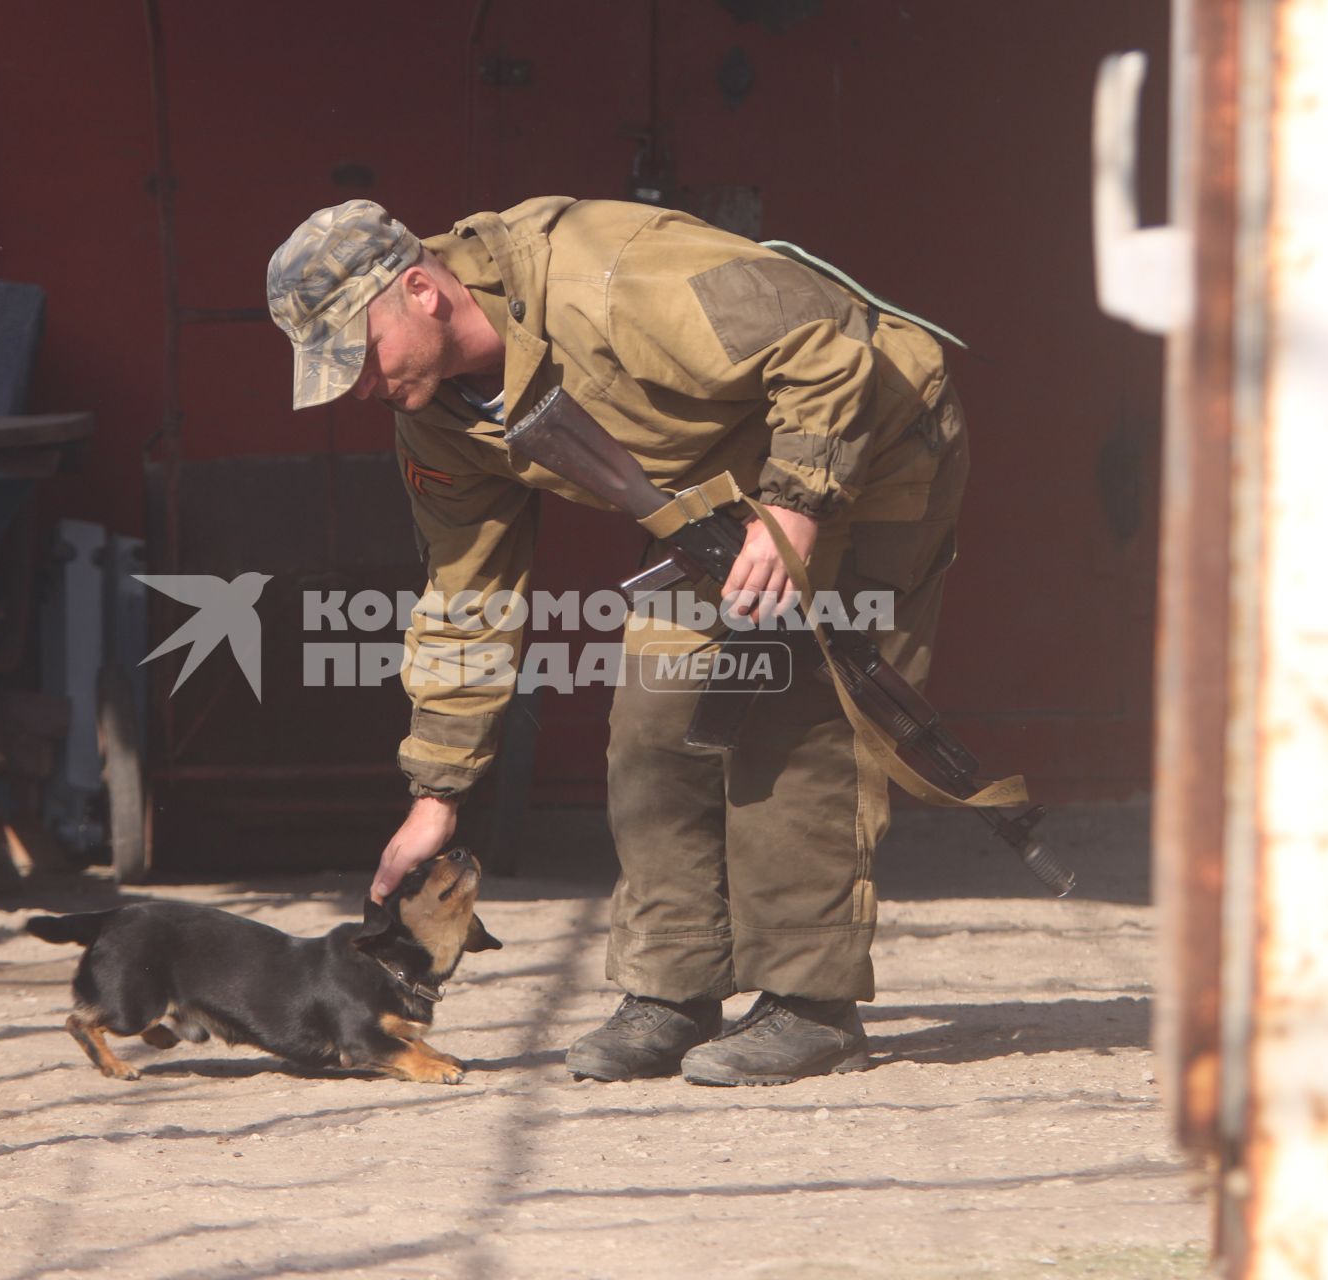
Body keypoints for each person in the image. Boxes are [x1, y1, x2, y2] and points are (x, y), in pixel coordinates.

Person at [266, 197, 967, 1086]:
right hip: (717, 500)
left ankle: (809, 1003)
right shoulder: (436, 417)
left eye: (358, 353)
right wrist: (437, 793)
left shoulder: (612, 277)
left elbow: (830, 353)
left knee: (798, 719)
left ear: (421, 292)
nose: (356, 384)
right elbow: (466, 595)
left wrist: (793, 508)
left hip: (868, 446)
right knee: (655, 720)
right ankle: (672, 989)